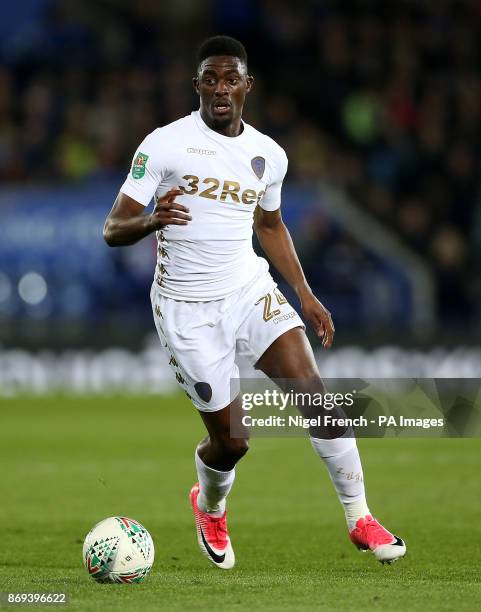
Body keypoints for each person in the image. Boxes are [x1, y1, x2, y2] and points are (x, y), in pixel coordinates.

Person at [103, 35, 406, 569]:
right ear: (197, 85)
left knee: (318, 400)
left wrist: (306, 295)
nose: (221, 88)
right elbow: (112, 228)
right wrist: (153, 219)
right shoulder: (164, 145)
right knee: (232, 443)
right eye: (211, 79)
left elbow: (269, 225)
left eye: (230, 79)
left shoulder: (268, 155)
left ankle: (360, 517)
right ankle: (210, 504)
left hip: (248, 289)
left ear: (247, 85)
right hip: (187, 309)